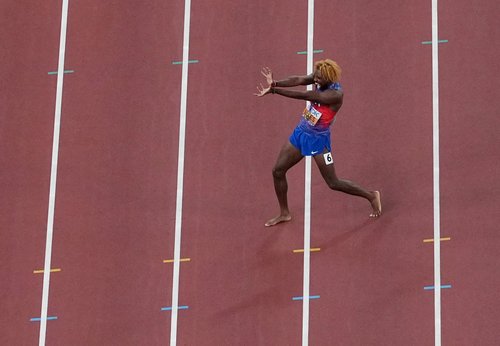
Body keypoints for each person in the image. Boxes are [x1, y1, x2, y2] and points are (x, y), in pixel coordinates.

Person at [254, 59, 382, 227]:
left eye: (319, 79)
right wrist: (276, 82)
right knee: (278, 171)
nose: (315, 80)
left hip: (318, 141)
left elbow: (305, 95)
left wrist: (274, 91)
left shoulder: (335, 95)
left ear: (329, 79)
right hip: (300, 133)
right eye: (315, 76)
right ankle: (284, 213)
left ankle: (371, 195)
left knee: (333, 182)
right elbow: (299, 80)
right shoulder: (318, 76)